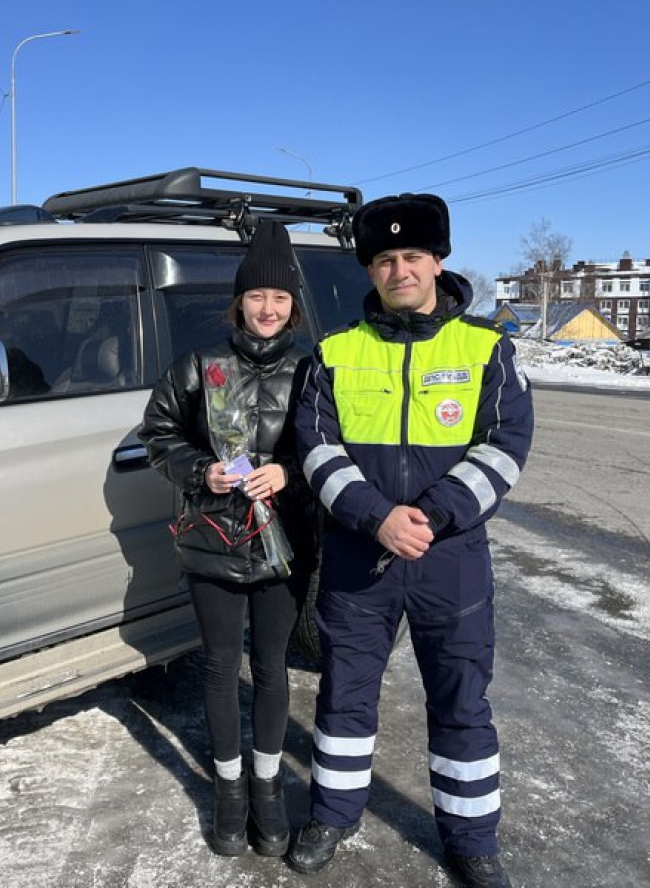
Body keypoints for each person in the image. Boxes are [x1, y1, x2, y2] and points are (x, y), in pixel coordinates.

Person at [288, 193, 534, 888]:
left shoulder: (486, 347)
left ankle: (471, 840)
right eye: (385, 259)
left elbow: (505, 446)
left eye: (412, 256)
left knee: (460, 699)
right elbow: (315, 448)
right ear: (369, 269)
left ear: (437, 261)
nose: (400, 270)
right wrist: (376, 518)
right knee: (343, 696)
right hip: (358, 556)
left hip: (447, 559)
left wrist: (429, 516)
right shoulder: (334, 353)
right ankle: (332, 816)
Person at [140, 219, 317, 858]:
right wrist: (201, 470)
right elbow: (157, 435)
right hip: (213, 538)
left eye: (279, 298)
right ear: (238, 301)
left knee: (271, 669)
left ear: (292, 306)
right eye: (256, 296)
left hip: (283, 543)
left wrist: (288, 471)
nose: (267, 309)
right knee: (219, 668)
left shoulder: (310, 371)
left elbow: (333, 448)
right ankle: (228, 790)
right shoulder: (198, 365)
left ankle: (268, 790)